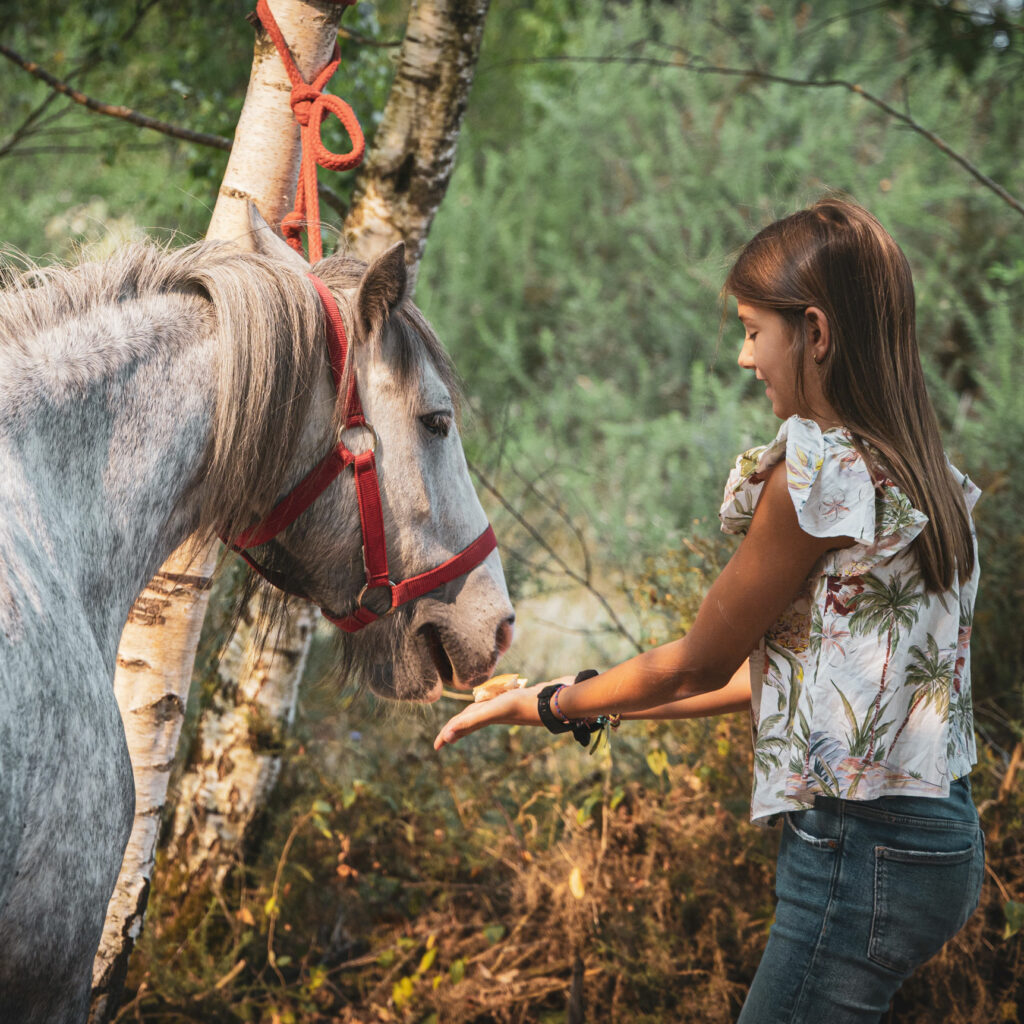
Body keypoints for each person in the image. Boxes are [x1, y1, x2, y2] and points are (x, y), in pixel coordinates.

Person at [433, 198, 985, 1023]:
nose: (742, 356)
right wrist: (585, 704)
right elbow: (769, 679)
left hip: (856, 848)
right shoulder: (919, 472)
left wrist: (551, 705)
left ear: (817, 334)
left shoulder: (814, 475)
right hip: (938, 840)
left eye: (753, 330)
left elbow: (695, 659)